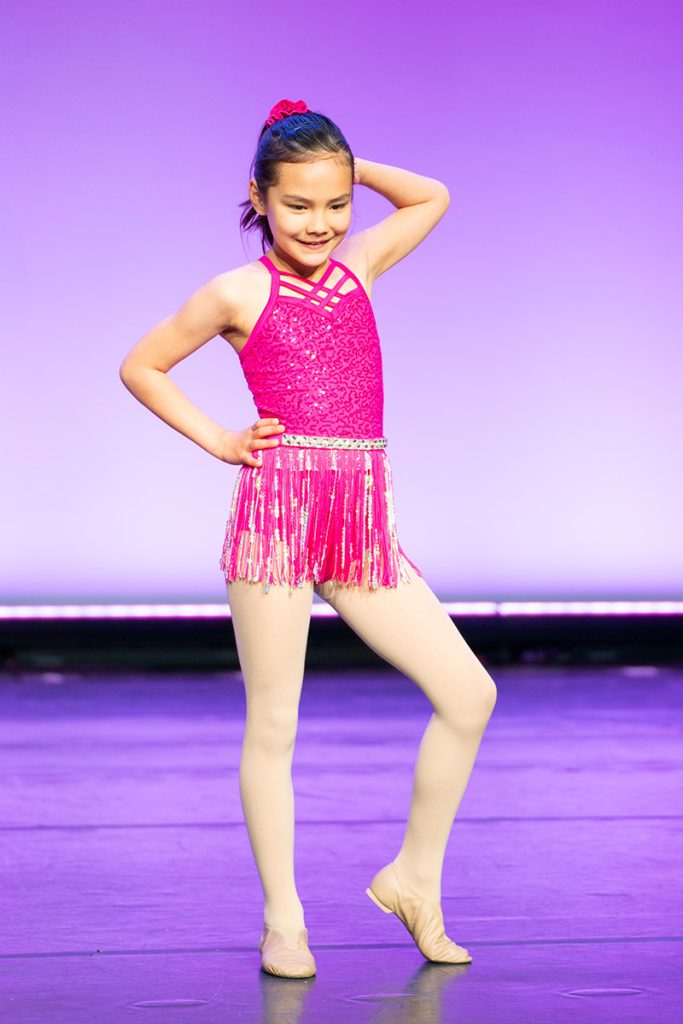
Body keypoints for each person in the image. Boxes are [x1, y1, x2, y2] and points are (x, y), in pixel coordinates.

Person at [119, 98, 497, 980]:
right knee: (275, 725)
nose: (321, 223)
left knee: (468, 695)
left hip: (360, 524)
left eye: (335, 204)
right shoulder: (235, 291)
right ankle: (283, 921)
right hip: (278, 522)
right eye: (298, 205)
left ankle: (412, 878)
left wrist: (346, 165)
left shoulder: (362, 261)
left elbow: (432, 196)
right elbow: (142, 363)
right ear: (258, 196)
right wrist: (219, 439)